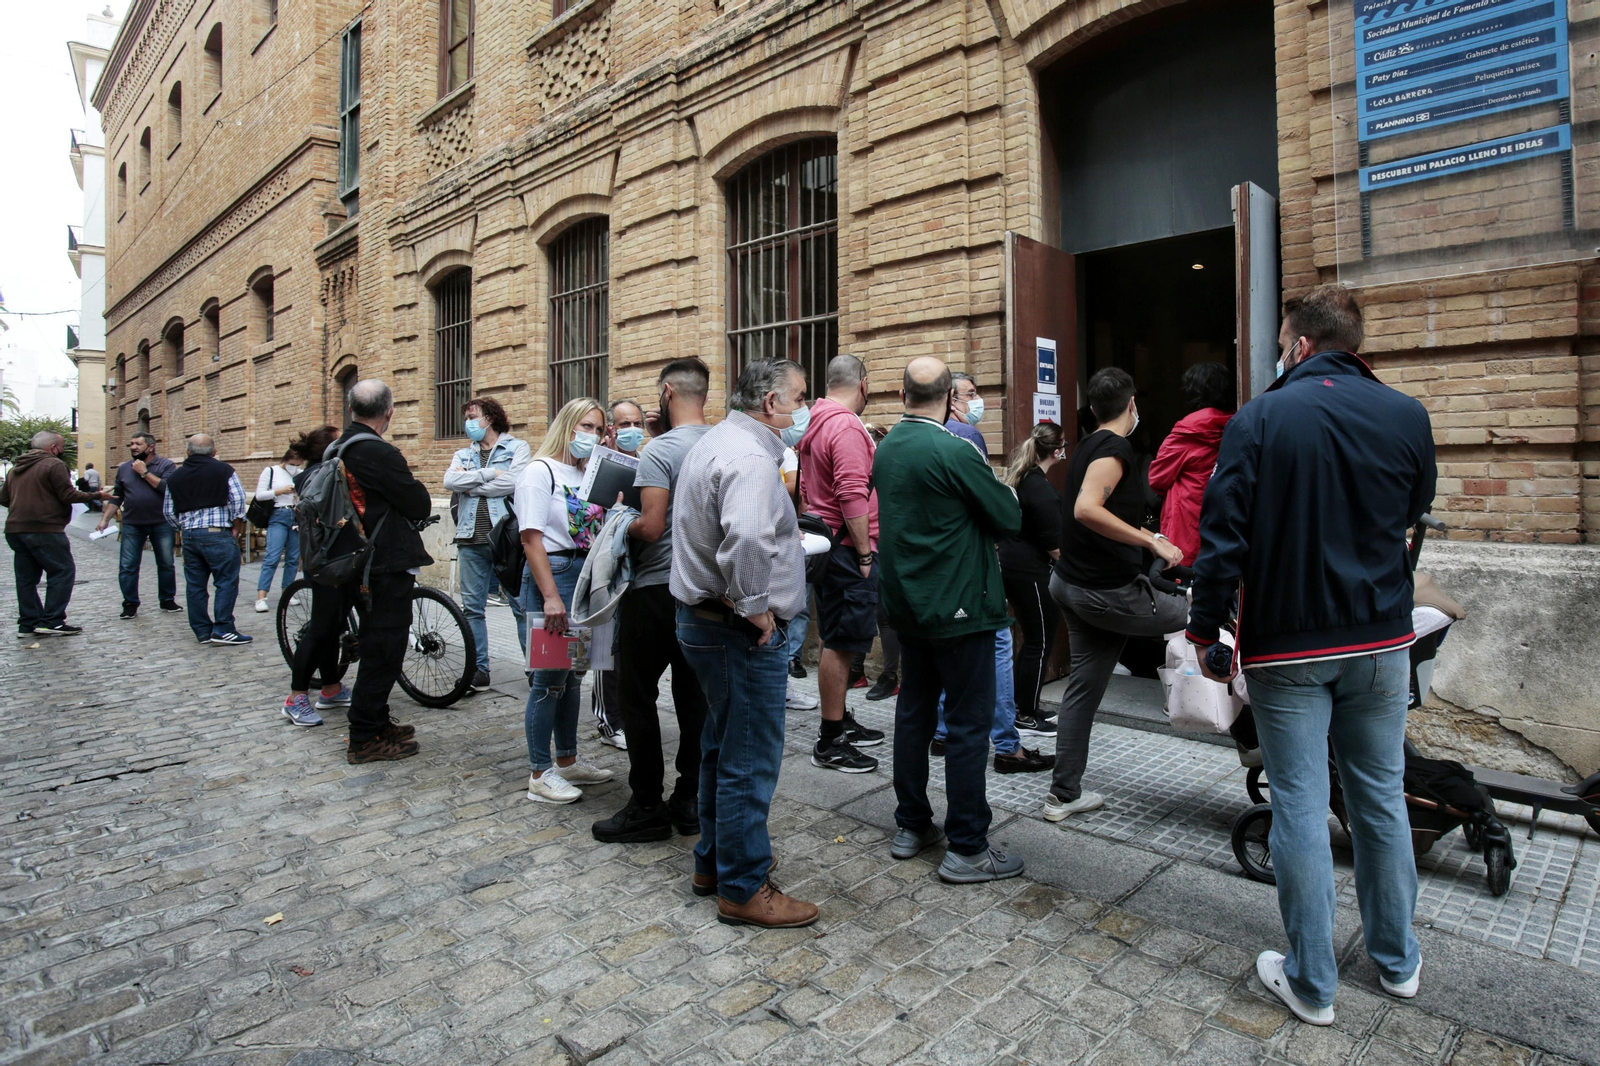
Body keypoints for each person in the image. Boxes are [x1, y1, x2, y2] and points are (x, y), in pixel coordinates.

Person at [1190, 286, 1435, 1025]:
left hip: (1289, 645)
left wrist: (1208, 632)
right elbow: (1414, 505)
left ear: (1298, 346)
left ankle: (1313, 982)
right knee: (1379, 797)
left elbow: (1222, 532)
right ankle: (1396, 963)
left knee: (1298, 802)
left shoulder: (1261, 416)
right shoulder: (1406, 414)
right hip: (1381, 639)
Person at [671, 358, 818, 928]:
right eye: (799, 398)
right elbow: (748, 539)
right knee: (748, 758)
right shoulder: (750, 457)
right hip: (734, 630)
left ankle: (714, 862)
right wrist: (758, 613)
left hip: (706, 622)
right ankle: (743, 884)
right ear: (771, 403)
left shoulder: (719, 441)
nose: (804, 409)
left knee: (721, 745)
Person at [875, 356, 1027, 883]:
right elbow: (1009, 516)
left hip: (909, 605)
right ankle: (967, 846)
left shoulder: (888, 445)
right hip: (959, 604)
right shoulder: (953, 448)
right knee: (967, 724)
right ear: (949, 398)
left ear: (901, 396)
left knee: (914, 714)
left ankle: (911, 824)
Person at [1045, 368, 1187, 821]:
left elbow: (1102, 512)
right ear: (1131, 406)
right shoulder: (1114, 446)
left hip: (1074, 585)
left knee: (1082, 691)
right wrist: (1151, 543)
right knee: (1197, 613)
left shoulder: (1088, 443)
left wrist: (1146, 533)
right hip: (1101, 592)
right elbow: (1088, 508)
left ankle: (1063, 795)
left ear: (1091, 409)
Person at [590, 360, 714, 843]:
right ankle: (689, 799)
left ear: (666, 392)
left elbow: (652, 525)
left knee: (636, 696)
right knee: (694, 699)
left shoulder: (659, 450)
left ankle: (646, 804)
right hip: (704, 590)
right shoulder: (724, 441)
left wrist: (621, 517)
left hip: (655, 590)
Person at [516, 396, 615, 803]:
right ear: (567, 426)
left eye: (598, 428)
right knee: (547, 681)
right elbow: (530, 539)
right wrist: (550, 597)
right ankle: (540, 773)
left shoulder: (590, 473)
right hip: (554, 576)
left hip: (585, 576)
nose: (590, 435)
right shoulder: (539, 472)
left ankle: (568, 760)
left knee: (572, 676)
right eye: (585, 427)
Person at [335, 381, 437, 762]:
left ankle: (376, 721)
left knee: (377, 643)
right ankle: (364, 737)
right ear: (389, 412)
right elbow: (417, 504)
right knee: (384, 649)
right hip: (381, 563)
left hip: (350, 560)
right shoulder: (377, 451)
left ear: (351, 409)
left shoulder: (338, 446)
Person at [795, 353, 887, 773]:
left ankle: (840, 719)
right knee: (842, 642)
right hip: (849, 550)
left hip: (828, 545)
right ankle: (830, 740)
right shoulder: (845, 424)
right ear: (863, 384)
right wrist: (865, 553)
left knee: (838, 636)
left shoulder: (814, 417)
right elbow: (851, 493)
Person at [443, 396, 531, 691]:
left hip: (507, 539)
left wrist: (471, 484)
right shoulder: (462, 454)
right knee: (472, 609)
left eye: (473, 416)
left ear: (490, 418)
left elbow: (515, 482)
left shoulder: (517, 447)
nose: (469, 423)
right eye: (467, 417)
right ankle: (478, 670)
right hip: (470, 538)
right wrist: (491, 473)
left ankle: (534, 668)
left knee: (521, 606)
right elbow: (449, 482)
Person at [279, 426, 355, 728]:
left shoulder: (318, 473)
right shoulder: (320, 476)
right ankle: (295, 697)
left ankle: (331, 688)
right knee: (321, 628)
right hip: (327, 562)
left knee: (332, 626)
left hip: (334, 559)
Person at [0, 431, 109, 637]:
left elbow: (4, 498)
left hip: (16, 529)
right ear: (53, 448)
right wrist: (97, 495)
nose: (62, 450)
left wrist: (23, 507)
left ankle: (28, 623)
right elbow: (68, 494)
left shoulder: (15, 468)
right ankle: (52, 621)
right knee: (62, 571)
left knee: (26, 578)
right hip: (44, 529)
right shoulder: (54, 465)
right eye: (61, 446)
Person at [1000, 422, 1067, 738]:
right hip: (1031, 573)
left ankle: (1024, 707)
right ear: (1056, 451)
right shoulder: (1039, 487)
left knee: (1032, 640)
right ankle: (1025, 715)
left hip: (1017, 569)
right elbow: (1053, 544)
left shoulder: (1026, 478)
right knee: (1039, 641)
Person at [588, 398, 648, 747]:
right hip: (607, 565)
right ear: (611, 428)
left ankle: (626, 714)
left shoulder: (646, 461)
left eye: (635, 423)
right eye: (622, 425)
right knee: (605, 649)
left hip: (637, 565)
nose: (630, 431)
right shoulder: (598, 462)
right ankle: (609, 721)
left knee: (627, 650)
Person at [163, 434, 251, 647]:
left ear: (187, 452)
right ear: (214, 451)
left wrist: (183, 527)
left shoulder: (175, 476)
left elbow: (168, 511)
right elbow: (238, 499)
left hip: (190, 535)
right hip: (217, 532)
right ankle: (223, 627)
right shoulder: (224, 471)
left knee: (195, 585)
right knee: (226, 581)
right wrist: (236, 525)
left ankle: (202, 630)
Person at [1148, 363, 1234, 566]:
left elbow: (1156, 478)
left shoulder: (1187, 429)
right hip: (1224, 520)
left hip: (1186, 524)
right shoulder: (1236, 423)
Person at [98, 432, 180, 618]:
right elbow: (117, 496)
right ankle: (130, 603)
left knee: (166, 563)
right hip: (132, 524)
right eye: (131, 444)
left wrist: (144, 472)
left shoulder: (165, 465)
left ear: (151, 447)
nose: (133, 447)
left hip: (161, 522)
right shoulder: (124, 468)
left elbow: (168, 489)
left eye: (138, 444)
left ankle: (167, 600)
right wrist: (105, 519)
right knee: (128, 565)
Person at [252, 442, 306, 613]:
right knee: (272, 556)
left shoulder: (301, 474)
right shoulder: (271, 471)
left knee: (293, 557)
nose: (295, 467)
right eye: (292, 464)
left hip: (295, 514)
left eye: (298, 465)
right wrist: (279, 491)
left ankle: (287, 591)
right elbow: (260, 495)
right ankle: (261, 596)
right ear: (286, 460)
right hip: (278, 514)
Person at [947, 371, 988, 454]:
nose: (978, 399)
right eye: (971, 394)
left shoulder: (930, 428)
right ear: (952, 399)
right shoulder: (968, 434)